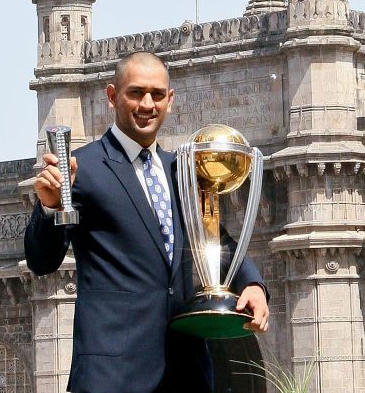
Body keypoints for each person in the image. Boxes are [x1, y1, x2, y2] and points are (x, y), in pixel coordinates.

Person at [25, 51, 269, 393]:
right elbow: (42, 260)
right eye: (136, 93)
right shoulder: (84, 168)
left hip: (185, 373)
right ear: (112, 97)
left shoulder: (182, 170)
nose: (147, 104)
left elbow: (213, 239)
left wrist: (252, 284)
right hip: (112, 375)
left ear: (170, 101)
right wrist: (49, 206)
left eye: (157, 94)